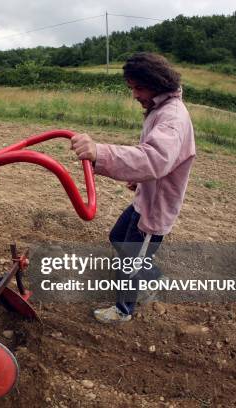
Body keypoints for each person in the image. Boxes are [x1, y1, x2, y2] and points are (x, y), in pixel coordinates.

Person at [70, 52, 196, 323]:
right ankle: (152, 276)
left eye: (138, 87)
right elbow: (158, 158)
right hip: (145, 198)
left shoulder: (172, 118)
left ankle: (123, 310)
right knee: (117, 238)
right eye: (132, 88)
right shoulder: (159, 108)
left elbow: (155, 158)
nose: (135, 94)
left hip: (155, 209)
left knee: (129, 263)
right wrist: (139, 178)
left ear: (157, 83)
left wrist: (100, 153)